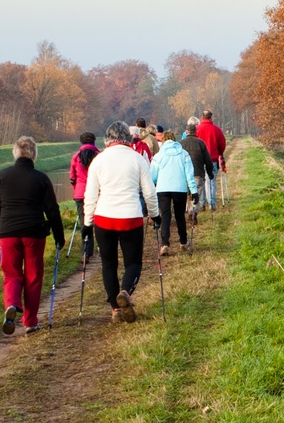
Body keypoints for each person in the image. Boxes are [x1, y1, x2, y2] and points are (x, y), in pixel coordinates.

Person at [84, 121, 160, 324]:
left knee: (108, 264)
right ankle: (126, 291)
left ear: (107, 139)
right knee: (133, 262)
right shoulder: (137, 159)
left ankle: (115, 309)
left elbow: (90, 195)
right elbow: (149, 192)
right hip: (130, 217)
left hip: (104, 217)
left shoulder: (98, 161)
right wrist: (155, 214)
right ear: (128, 138)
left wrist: (87, 222)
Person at [0, 136, 66, 335]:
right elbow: (52, 209)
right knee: (33, 276)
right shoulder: (41, 178)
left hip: (8, 233)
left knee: (12, 274)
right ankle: (30, 321)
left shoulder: (1, 177)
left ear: (15, 154)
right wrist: (59, 235)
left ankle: (12, 304)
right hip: (34, 232)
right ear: (34, 155)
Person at [150, 131, 198, 255]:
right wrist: (194, 191)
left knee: (165, 215)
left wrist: (152, 186)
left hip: (163, 189)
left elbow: (153, 176)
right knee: (179, 215)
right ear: (175, 140)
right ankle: (183, 241)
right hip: (179, 188)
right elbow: (189, 174)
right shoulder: (184, 154)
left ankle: (165, 244)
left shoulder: (158, 156)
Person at [70, 131, 100, 261]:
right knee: (99, 221)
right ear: (94, 142)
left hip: (80, 193)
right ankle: (102, 248)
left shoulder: (76, 157)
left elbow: (72, 178)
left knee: (84, 223)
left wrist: (76, 190)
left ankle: (86, 252)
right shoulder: (99, 156)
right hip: (97, 193)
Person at [179, 123, 213, 226]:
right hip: (197, 173)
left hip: (184, 174)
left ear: (186, 131)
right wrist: (210, 171)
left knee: (187, 194)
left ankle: (188, 211)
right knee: (195, 195)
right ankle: (193, 213)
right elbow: (208, 160)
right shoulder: (201, 143)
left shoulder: (180, 144)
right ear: (196, 131)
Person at [196, 110, 226, 210]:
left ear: (202, 117)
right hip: (212, 159)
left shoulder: (197, 129)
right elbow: (222, 144)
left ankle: (202, 203)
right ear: (211, 117)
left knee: (201, 181)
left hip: (199, 161)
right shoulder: (216, 130)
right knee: (211, 182)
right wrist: (219, 153)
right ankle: (212, 204)